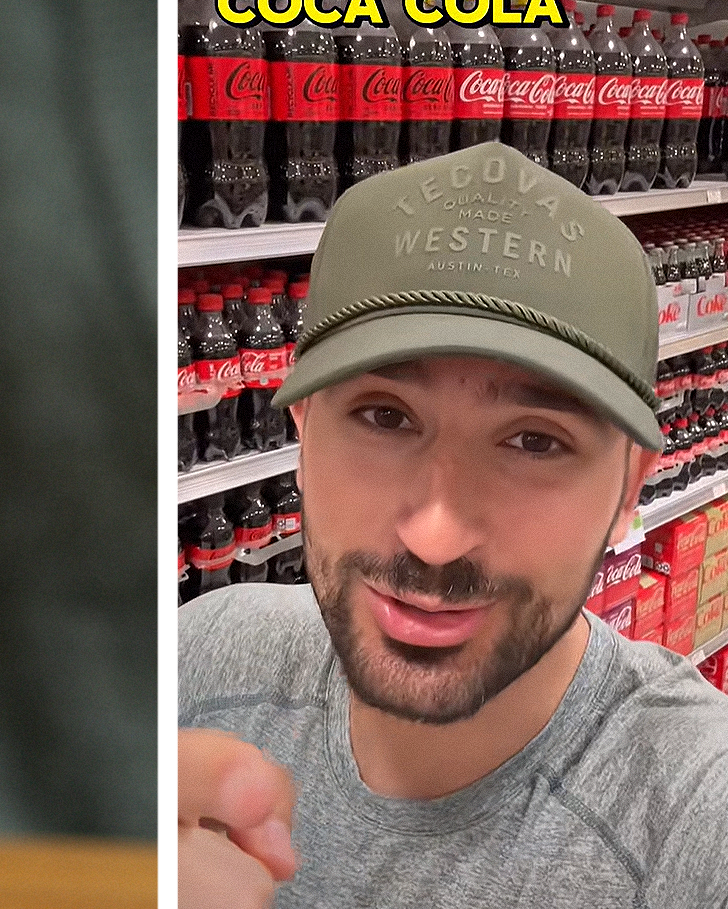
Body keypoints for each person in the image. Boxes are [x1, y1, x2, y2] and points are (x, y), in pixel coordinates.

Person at [180, 142, 728, 908]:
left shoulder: (693, 828)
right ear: (303, 433)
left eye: (535, 441)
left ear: (628, 484)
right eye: (384, 416)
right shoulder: (200, 662)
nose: (435, 537)